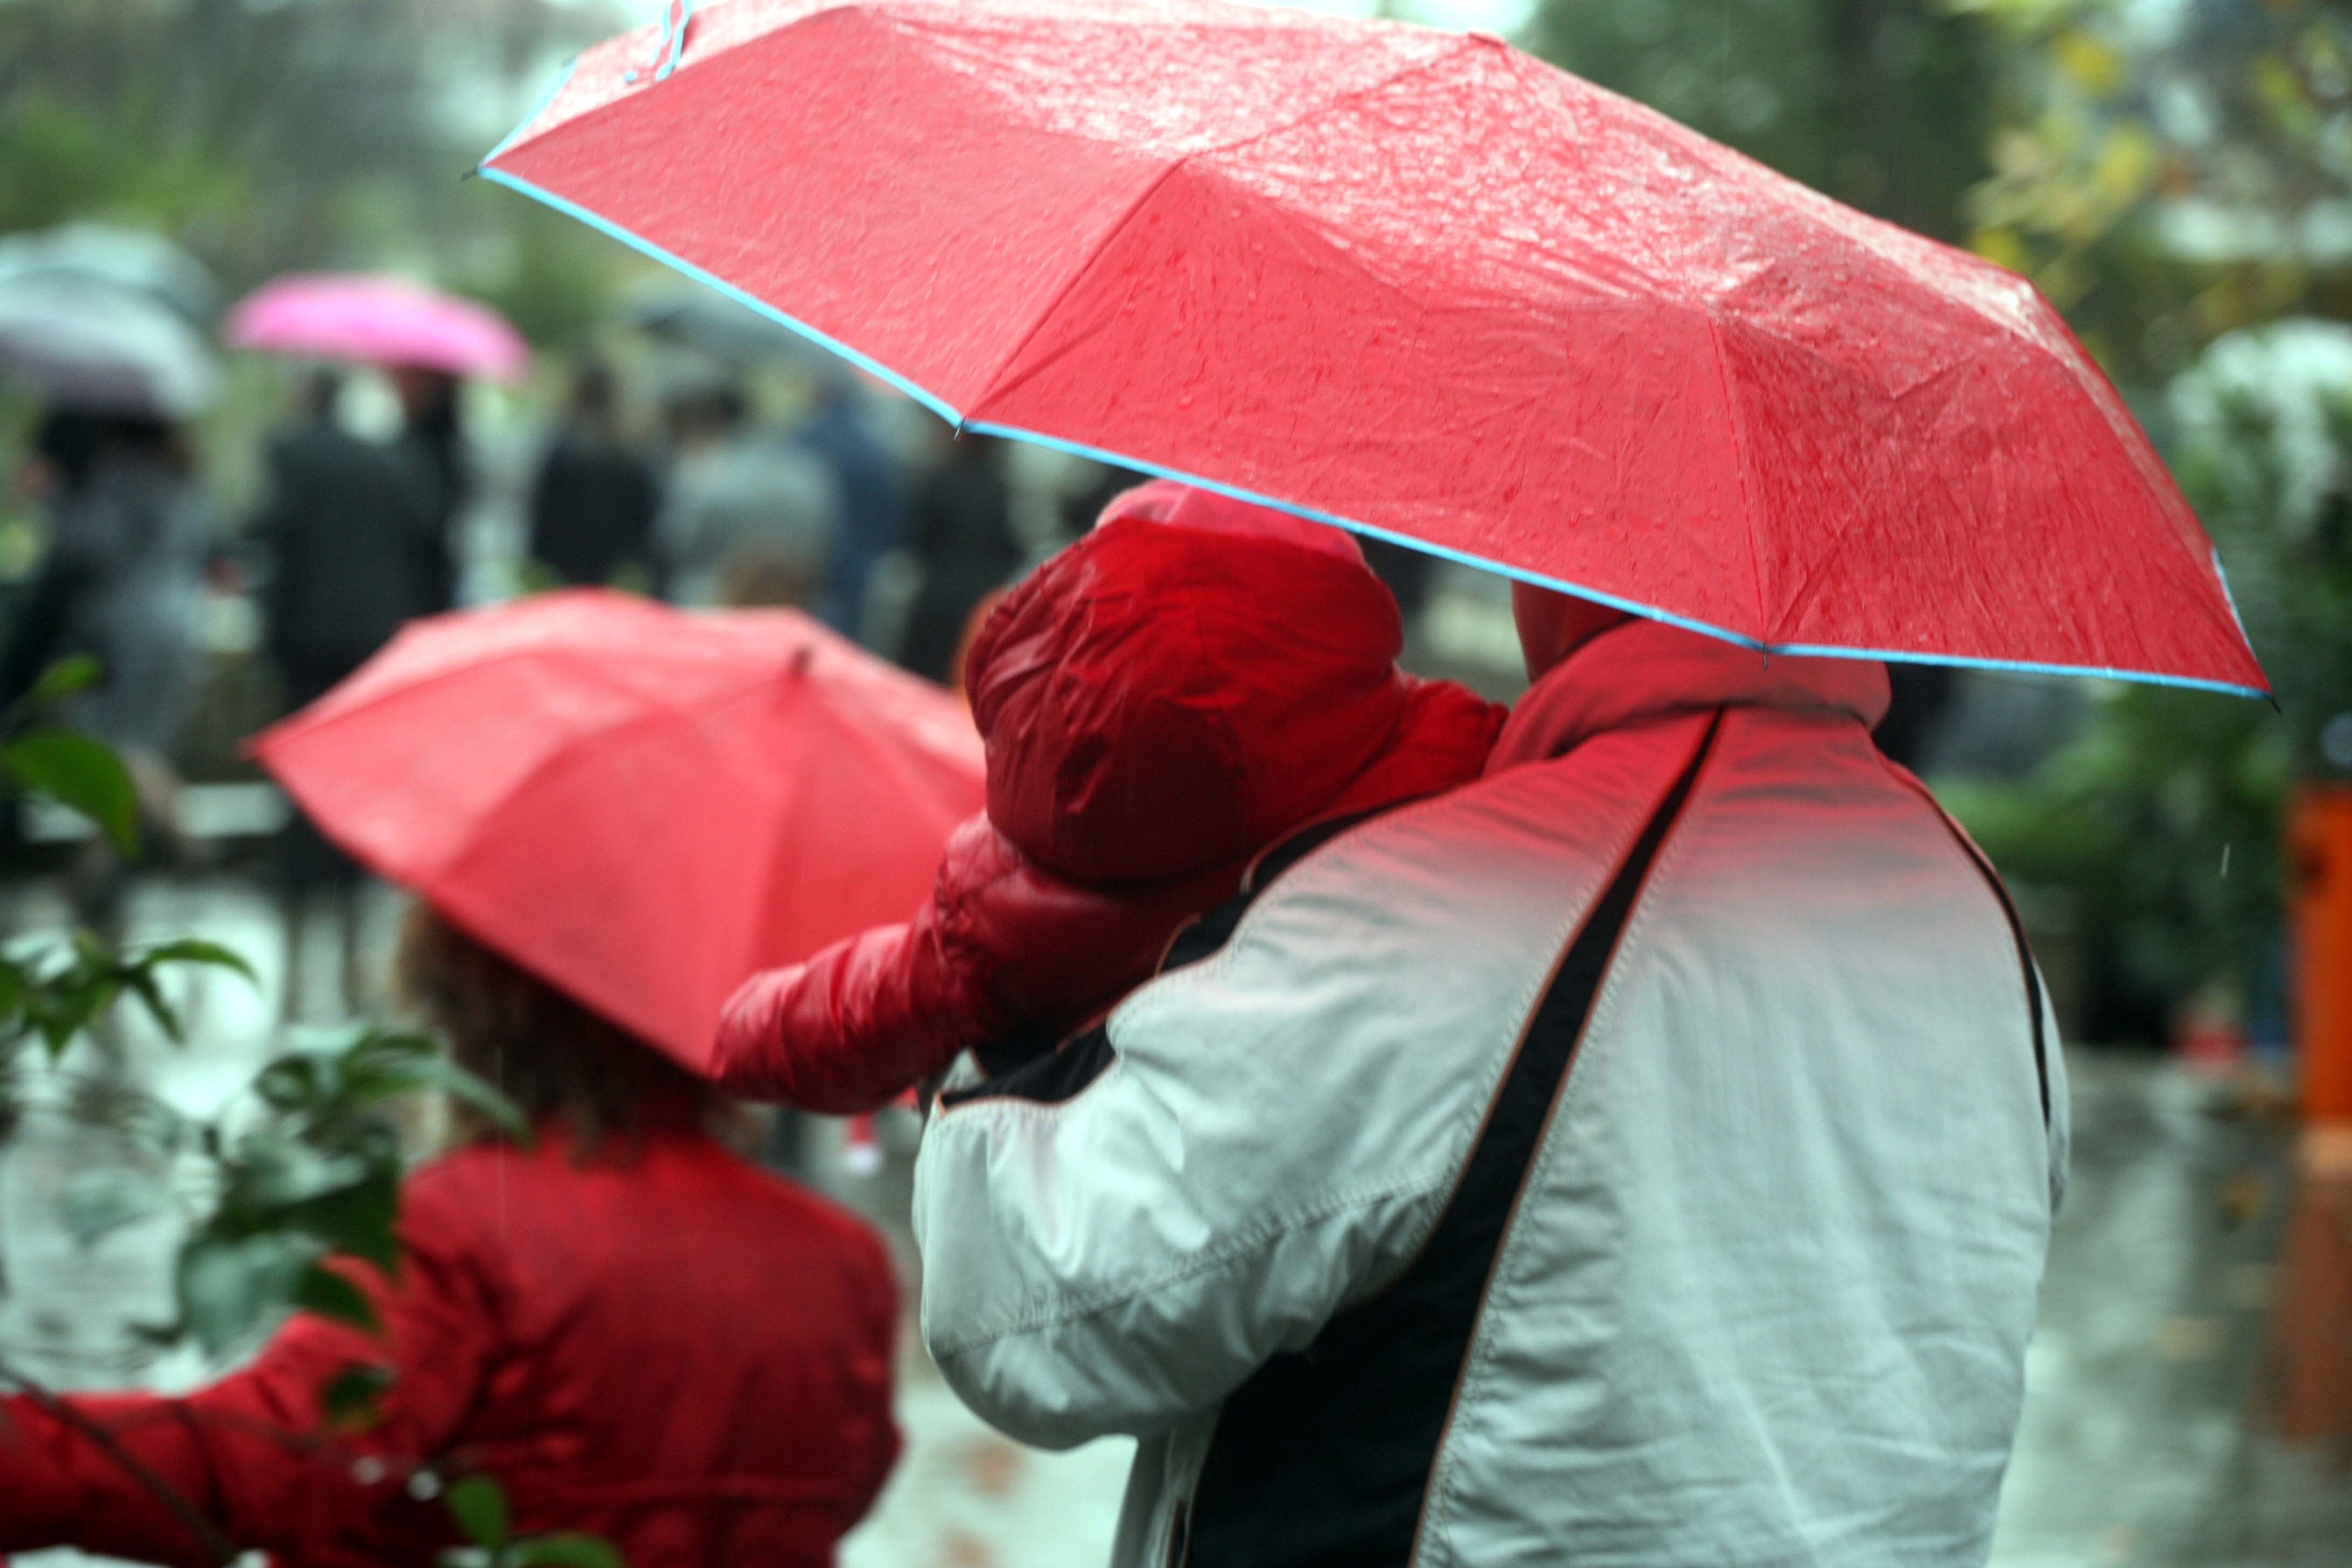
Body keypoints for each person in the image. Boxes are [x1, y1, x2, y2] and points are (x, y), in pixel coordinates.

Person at [911, 583, 2068, 1566]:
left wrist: (1011, 999)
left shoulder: (1442, 903)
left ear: (1558, 563)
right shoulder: (1981, 926)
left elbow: (1033, 1314)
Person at [0, 901, 901, 1568]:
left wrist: (24, 1455)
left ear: (472, 1007)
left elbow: (266, 1463)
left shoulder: (460, 1229)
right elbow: (849, 1484)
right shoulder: (842, 1259)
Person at [710, 482, 1504, 1112]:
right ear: (1330, 603)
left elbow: (854, 1015)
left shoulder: (1007, 891)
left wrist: (738, 1030)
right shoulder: (1447, 754)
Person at [253, 369, 447, 1018]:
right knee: (361, 773)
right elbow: (426, 547)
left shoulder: (292, 454)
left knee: (304, 772)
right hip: (372, 642)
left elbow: (269, 534)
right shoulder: (394, 461)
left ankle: (304, 878)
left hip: (307, 641)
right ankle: (352, 878)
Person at [1, 407, 212, 915]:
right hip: (178, 626)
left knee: (118, 750)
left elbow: (85, 547)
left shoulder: (116, 478)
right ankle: (94, 876)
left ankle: (187, 839)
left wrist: (53, 499)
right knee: (137, 745)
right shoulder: (181, 478)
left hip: (123, 631)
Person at [656, 382, 840, 610]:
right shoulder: (805, 471)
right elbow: (823, 540)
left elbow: (675, 541)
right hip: (787, 604)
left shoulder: (708, 471)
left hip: (709, 600)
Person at [528, 359, 660, 588]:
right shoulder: (627, 445)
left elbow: (546, 503)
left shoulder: (565, 442)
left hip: (566, 550)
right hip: (615, 554)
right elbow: (643, 505)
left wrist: (537, 552)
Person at [899, 433, 1019, 683]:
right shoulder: (1001, 491)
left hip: (936, 595)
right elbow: (1009, 550)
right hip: (977, 604)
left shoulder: (940, 481)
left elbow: (916, 541)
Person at [795, 370, 904, 640]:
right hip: (861, 564)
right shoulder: (875, 447)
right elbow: (890, 517)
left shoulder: (806, 440)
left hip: (811, 562)